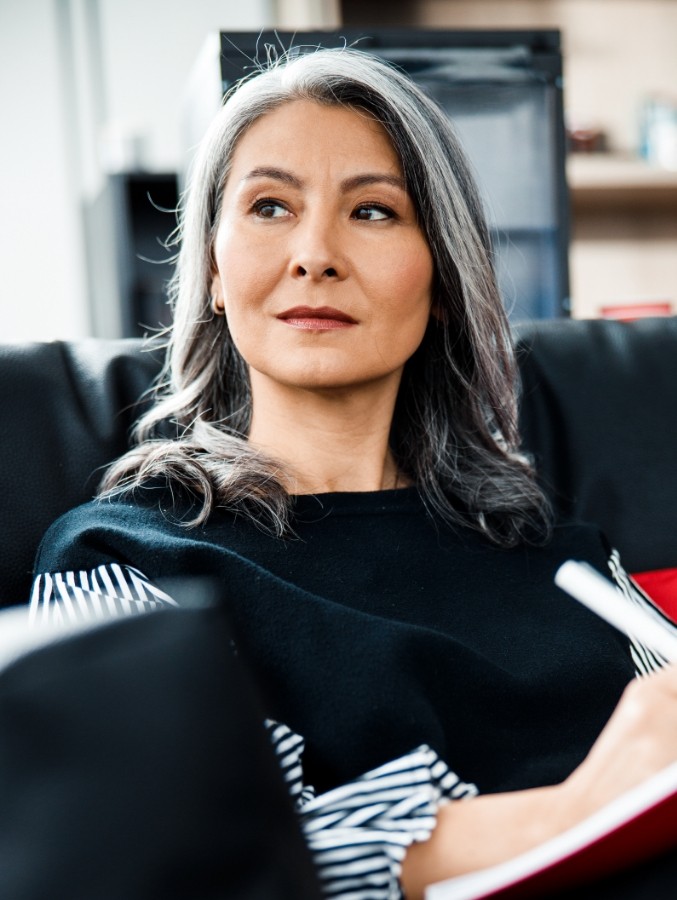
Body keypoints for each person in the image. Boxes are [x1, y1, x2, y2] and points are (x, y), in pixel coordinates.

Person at [31, 48, 677, 898]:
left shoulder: (564, 561)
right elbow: (197, 858)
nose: (314, 254)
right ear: (215, 272)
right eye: (268, 206)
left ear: (442, 278)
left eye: (373, 212)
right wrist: (580, 808)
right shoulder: (121, 568)